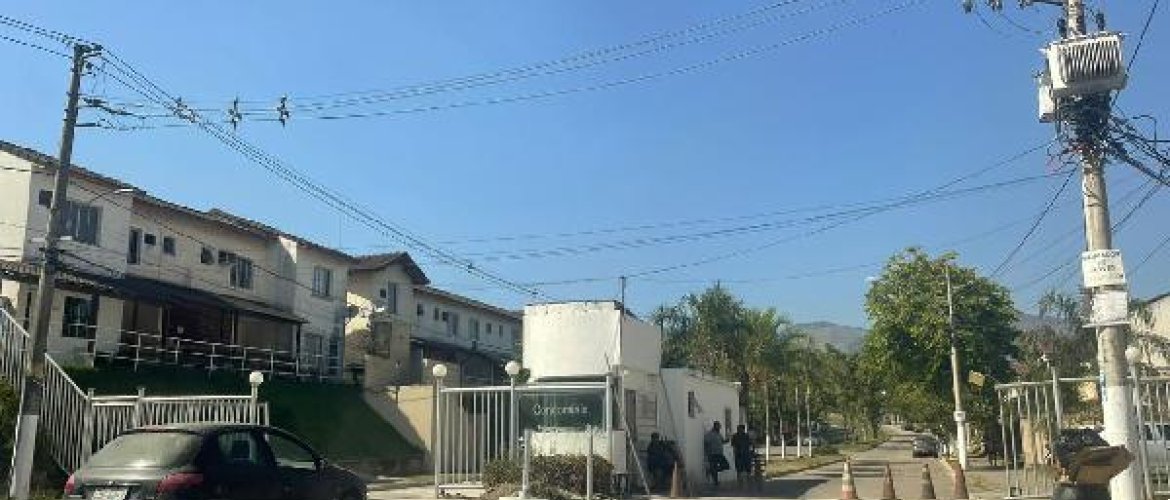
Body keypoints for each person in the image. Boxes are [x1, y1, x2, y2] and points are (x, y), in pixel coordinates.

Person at [704, 421, 729, 487]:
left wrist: (727, 440)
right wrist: (707, 452)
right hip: (712, 454)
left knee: (726, 466)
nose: (719, 428)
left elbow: (722, 441)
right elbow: (706, 443)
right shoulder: (709, 434)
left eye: (720, 427)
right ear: (715, 426)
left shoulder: (719, 434)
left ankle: (711, 470)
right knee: (714, 466)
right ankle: (716, 482)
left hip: (719, 453)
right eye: (718, 426)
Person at [730, 424, 753, 488]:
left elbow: (750, 444)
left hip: (746, 454)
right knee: (739, 469)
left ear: (743, 429)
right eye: (738, 429)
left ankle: (749, 482)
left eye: (740, 429)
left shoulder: (746, 436)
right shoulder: (735, 436)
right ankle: (740, 483)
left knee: (748, 468)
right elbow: (733, 445)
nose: (739, 430)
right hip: (739, 454)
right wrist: (735, 453)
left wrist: (751, 452)